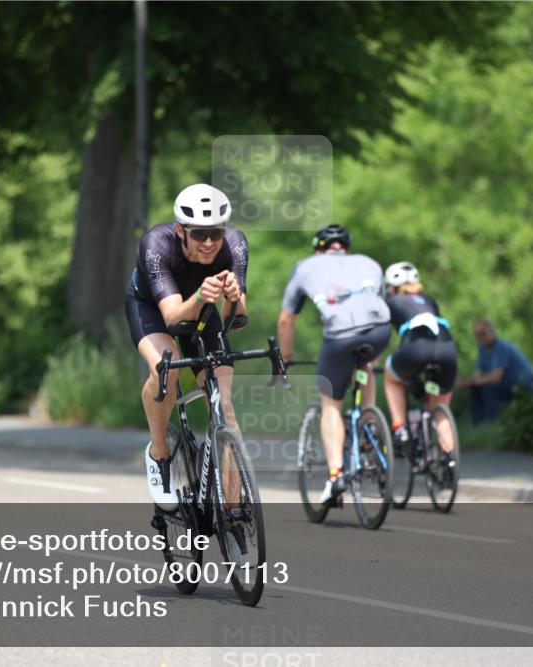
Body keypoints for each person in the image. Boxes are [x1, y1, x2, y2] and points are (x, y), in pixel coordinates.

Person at [125, 184, 248, 511]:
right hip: (154, 307)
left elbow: (237, 317)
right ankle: (159, 452)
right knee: (167, 369)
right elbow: (174, 316)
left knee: (222, 403)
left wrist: (233, 298)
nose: (208, 243)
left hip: (203, 310)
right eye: (198, 234)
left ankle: (232, 508)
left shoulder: (234, 244)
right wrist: (201, 294)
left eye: (215, 233)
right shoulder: (156, 245)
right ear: (181, 230)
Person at [277, 224, 391, 505]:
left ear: (319, 249)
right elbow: (376, 303)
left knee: (331, 404)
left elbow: (286, 320)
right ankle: (369, 423)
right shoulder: (370, 263)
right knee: (364, 364)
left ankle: (335, 474)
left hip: (340, 336)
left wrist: (286, 357)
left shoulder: (305, 266)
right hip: (380, 330)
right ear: (347, 249)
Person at [381, 262, 457, 467]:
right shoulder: (429, 300)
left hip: (416, 349)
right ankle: (449, 460)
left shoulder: (392, 301)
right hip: (447, 349)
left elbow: (382, 336)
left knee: (391, 375)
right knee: (440, 409)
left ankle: (400, 429)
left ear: (392, 287)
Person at [456, 319, 533, 424]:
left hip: (524, 385)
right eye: (477, 335)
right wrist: (469, 382)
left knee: (488, 387)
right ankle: (479, 426)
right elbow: (479, 375)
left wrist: (471, 382)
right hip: (507, 384)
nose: (480, 337)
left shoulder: (501, 347)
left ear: (492, 332)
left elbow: (495, 378)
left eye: (483, 333)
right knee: (476, 388)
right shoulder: (482, 349)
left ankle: (491, 423)